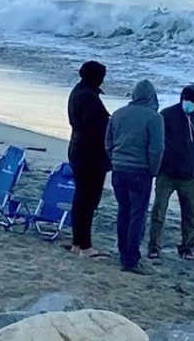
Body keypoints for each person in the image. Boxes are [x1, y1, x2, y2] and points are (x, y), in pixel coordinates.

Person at [148, 84, 194, 260]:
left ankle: (187, 247)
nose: (188, 102)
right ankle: (154, 246)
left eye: (192, 99)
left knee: (191, 214)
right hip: (166, 174)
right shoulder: (167, 115)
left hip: (192, 176)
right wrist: (156, 165)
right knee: (158, 211)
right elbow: (157, 142)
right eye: (186, 98)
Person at [105, 79, 164, 275]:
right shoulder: (154, 118)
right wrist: (153, 170)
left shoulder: (118, 114)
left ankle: (123, 254)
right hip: (140, 171)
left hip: (119, 170)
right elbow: (157, 149)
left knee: (123, 211)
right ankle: (131, 259)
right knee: (137, 216)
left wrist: (116, 160)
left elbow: (108, 143)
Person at [67, 60, 111, 258]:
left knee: (81, 198)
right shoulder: (88, 97)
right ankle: (85, 246)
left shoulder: (78, 92)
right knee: (88, 199)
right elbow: (97, 129)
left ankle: (78, 242)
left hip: (78, 149)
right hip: (89, 154)